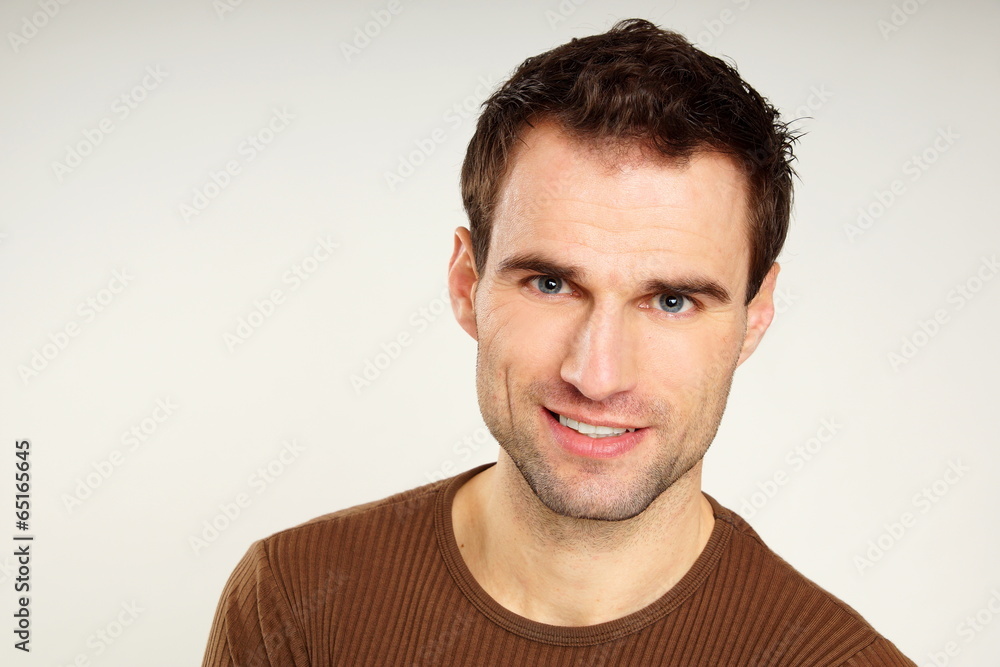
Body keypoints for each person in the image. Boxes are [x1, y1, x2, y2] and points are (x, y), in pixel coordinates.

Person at [202, 19, 915, 666]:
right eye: (550, 284)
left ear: (754, 318)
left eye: (671, 300)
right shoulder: (294, 603)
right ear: (466, 283)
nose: (597, 374)